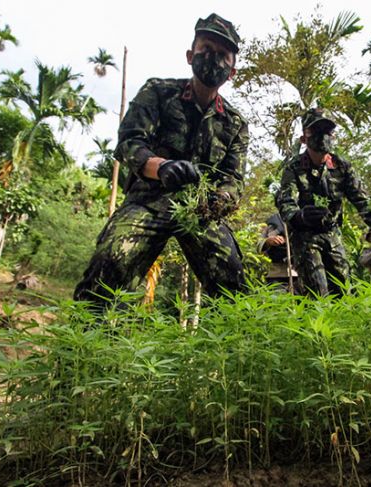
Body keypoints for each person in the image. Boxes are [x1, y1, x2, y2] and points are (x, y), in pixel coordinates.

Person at [74, 13, 248, 306]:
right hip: (148, 200)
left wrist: (218, 200)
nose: (213, 59)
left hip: (200, 209)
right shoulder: (158, 91)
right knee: (108, 265)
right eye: (206, 50)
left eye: (222, 55)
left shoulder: (234, 123)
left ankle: (226, 351)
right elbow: (129, 141)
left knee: (233, 284)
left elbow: (234, 178)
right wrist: (161, 167)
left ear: (231, 71)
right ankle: (81, 347)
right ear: (190, 55)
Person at [276, 108, 371, 296]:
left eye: (326, 130)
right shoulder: (294, 167)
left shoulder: (342, 166)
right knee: (317, 293)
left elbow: (360, 198)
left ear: (333, 136)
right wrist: (299, 216)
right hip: (305, 237)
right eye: (315, 130)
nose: (322, 135)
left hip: (332, 234)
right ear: (304, 138)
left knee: (344, 291)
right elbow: (285, 199)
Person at [258, 213, 298, 292]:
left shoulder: (303, 218)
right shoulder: (273, 222)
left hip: (299, 273)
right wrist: (268, 241)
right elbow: (259, 245)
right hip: (276, 274)